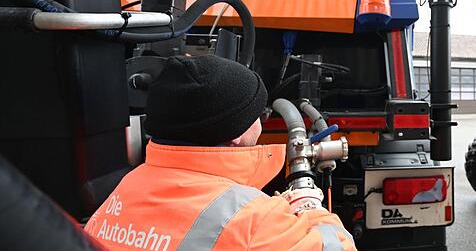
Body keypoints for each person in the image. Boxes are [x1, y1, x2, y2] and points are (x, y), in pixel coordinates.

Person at [84, 55, 355, 250]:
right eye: (259, 114)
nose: (262, 122)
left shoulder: (128, 187)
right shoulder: (252, 218)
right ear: (237, 134)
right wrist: (310, 208)